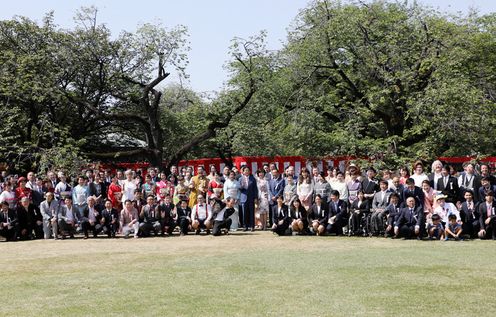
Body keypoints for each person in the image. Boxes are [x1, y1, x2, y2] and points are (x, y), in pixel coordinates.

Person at [239, 167, 258, 232]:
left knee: (251, 212)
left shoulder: (253, 179)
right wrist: (242, 186)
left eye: (248, 170)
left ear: (249, 171)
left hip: (251, 198)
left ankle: (252, 226)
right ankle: (245, 226)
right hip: (243, 198)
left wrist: (255, 197)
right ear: (243, 172)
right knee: (244, 213)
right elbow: (239, 188)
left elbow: (255, 189)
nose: (246, 171)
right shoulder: (240, 179)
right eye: (245, 170)